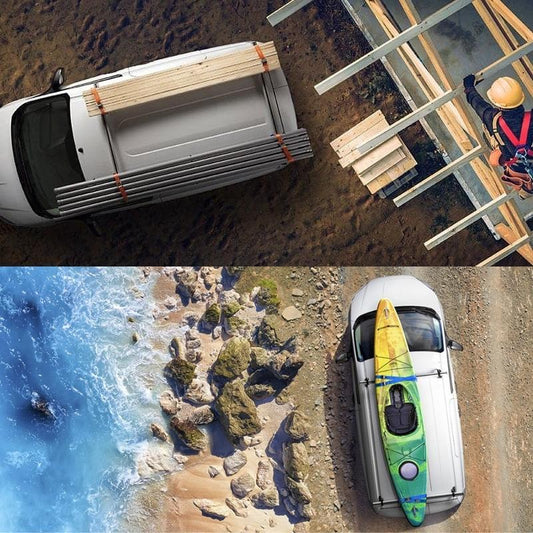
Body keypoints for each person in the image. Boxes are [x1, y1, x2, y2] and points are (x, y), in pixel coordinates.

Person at [463, 74, 533, 196]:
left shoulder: (493, 120)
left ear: (497, 103)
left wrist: (469, 87)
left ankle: (525, 190)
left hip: (519, 171)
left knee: (490, 135)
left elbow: (477, 104)